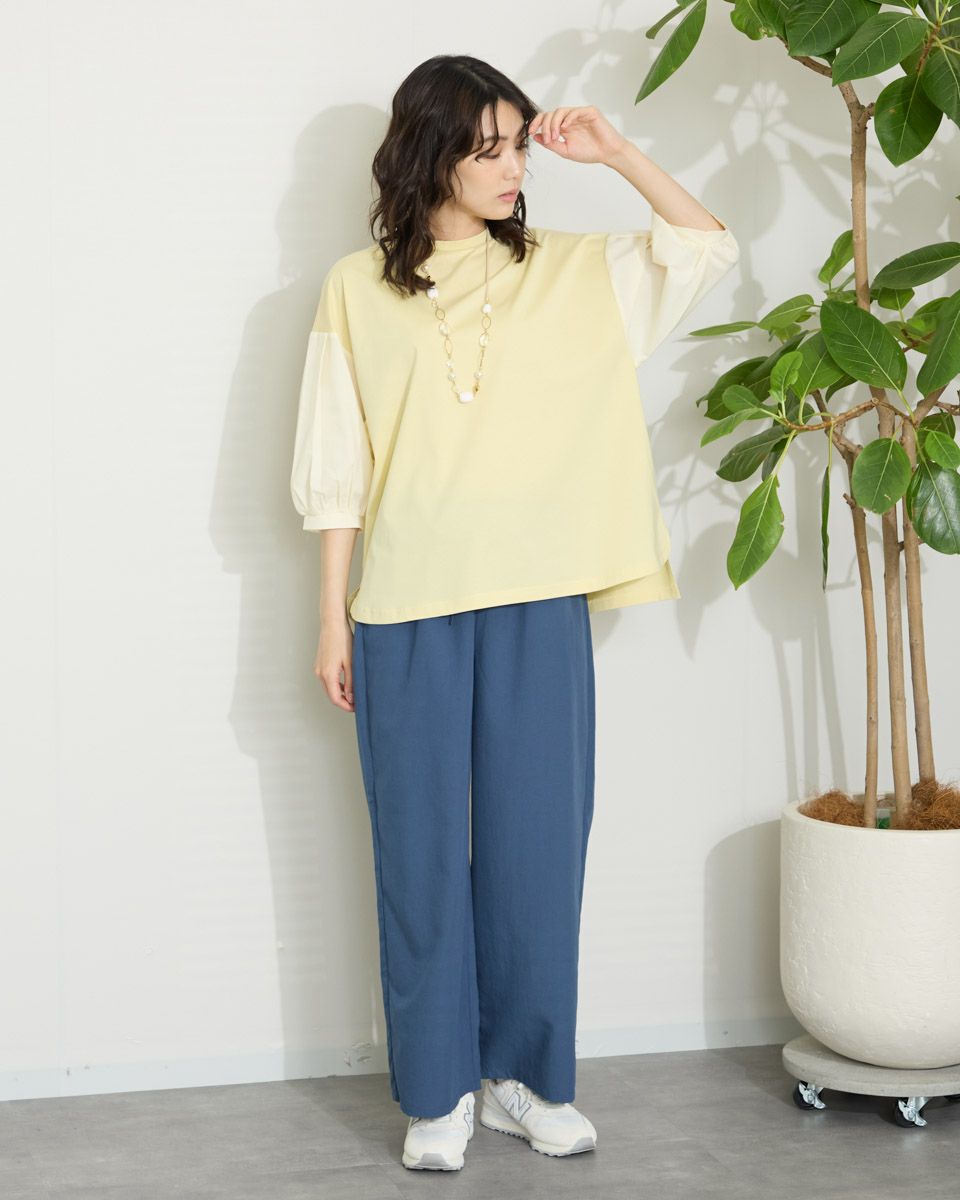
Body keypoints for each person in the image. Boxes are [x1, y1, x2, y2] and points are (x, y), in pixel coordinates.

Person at [290, 54, 739, 1172]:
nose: (511, 168)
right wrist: (332, 618)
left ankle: (524, 1079)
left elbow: (704, 246)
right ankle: (437, 1091)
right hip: (405, 607)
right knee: (419, 857)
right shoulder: (356, 289)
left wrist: (617, 154)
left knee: (538, 848)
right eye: (486, 147)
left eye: (519, 146)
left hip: (539, 602)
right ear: (429, 152)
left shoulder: (572, 272)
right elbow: (337, 468)